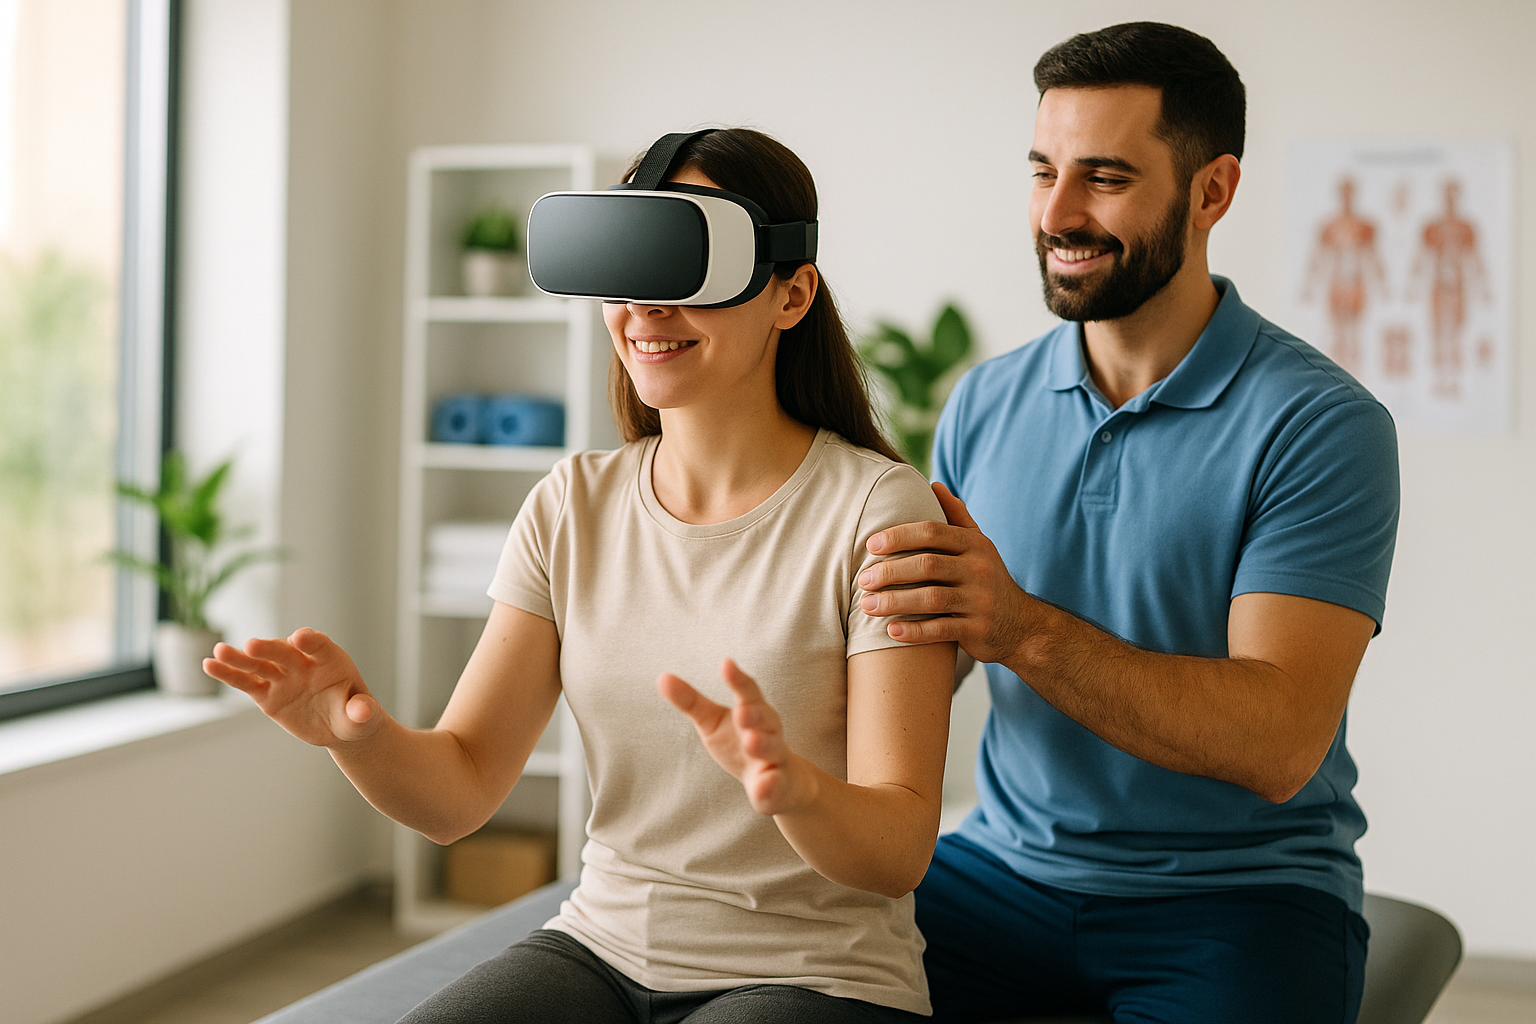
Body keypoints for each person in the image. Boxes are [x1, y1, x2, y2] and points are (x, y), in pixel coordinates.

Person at [205, 128, 956, 1024]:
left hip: (815, 974)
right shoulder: (573, 505)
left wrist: (797, 793)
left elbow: (901, 846)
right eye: (627, 266)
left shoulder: (877, 508)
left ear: (791, 294)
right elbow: (460, 790)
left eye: (689, 265)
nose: (647, 308)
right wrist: (353, 736)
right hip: (603, 947)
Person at [857, 22, 1400, 1024]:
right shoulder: (985, 401)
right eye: (1041, 171)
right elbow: (935, 648)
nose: (1056, 213)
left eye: (1103, 177)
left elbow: (1279, 739)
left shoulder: (1323, 425)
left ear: (1211, 192)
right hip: (997, 873)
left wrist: (1019, 625)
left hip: (1239, 901)